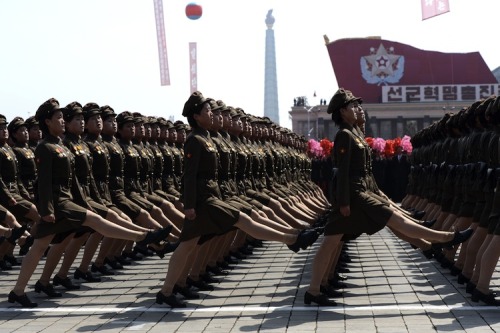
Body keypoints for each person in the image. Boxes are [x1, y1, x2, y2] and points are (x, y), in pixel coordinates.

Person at [304, 88, 474, 306]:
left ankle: (316, 289)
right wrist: (344, 202)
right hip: (354, 196)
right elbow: (342, 172)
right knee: (392, 221)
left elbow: (365, 171)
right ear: (342, 111)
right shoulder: (344, 135)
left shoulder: (353, 133)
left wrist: (377, 193)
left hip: (362, 192)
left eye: (358, 106)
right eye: (353, 106)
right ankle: (444, 238)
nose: (358, 109)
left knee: (335, 241)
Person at [156, 91, 318, 308]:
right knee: (241, 219)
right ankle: (292, 239)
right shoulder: (194, 140)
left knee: (186, 246)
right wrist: (190, 205)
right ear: (196, 116)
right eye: (207, 111)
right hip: (204, 201)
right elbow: (189, 175)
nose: (211, 114)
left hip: (211, 196)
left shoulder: (206, 138)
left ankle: (168, 290)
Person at [7, 98, 169, 308]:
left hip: (67, 199)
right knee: (91, 221)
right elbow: (44, 182)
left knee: (39, 246)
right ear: (47, 121)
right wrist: (46, 210)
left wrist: (85, 203)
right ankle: (144, 236)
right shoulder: (44, 148)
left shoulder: (60, 146)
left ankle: (19, 290)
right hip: (57, 203)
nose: (62, 121)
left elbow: (73, 180)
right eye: (58, 118)